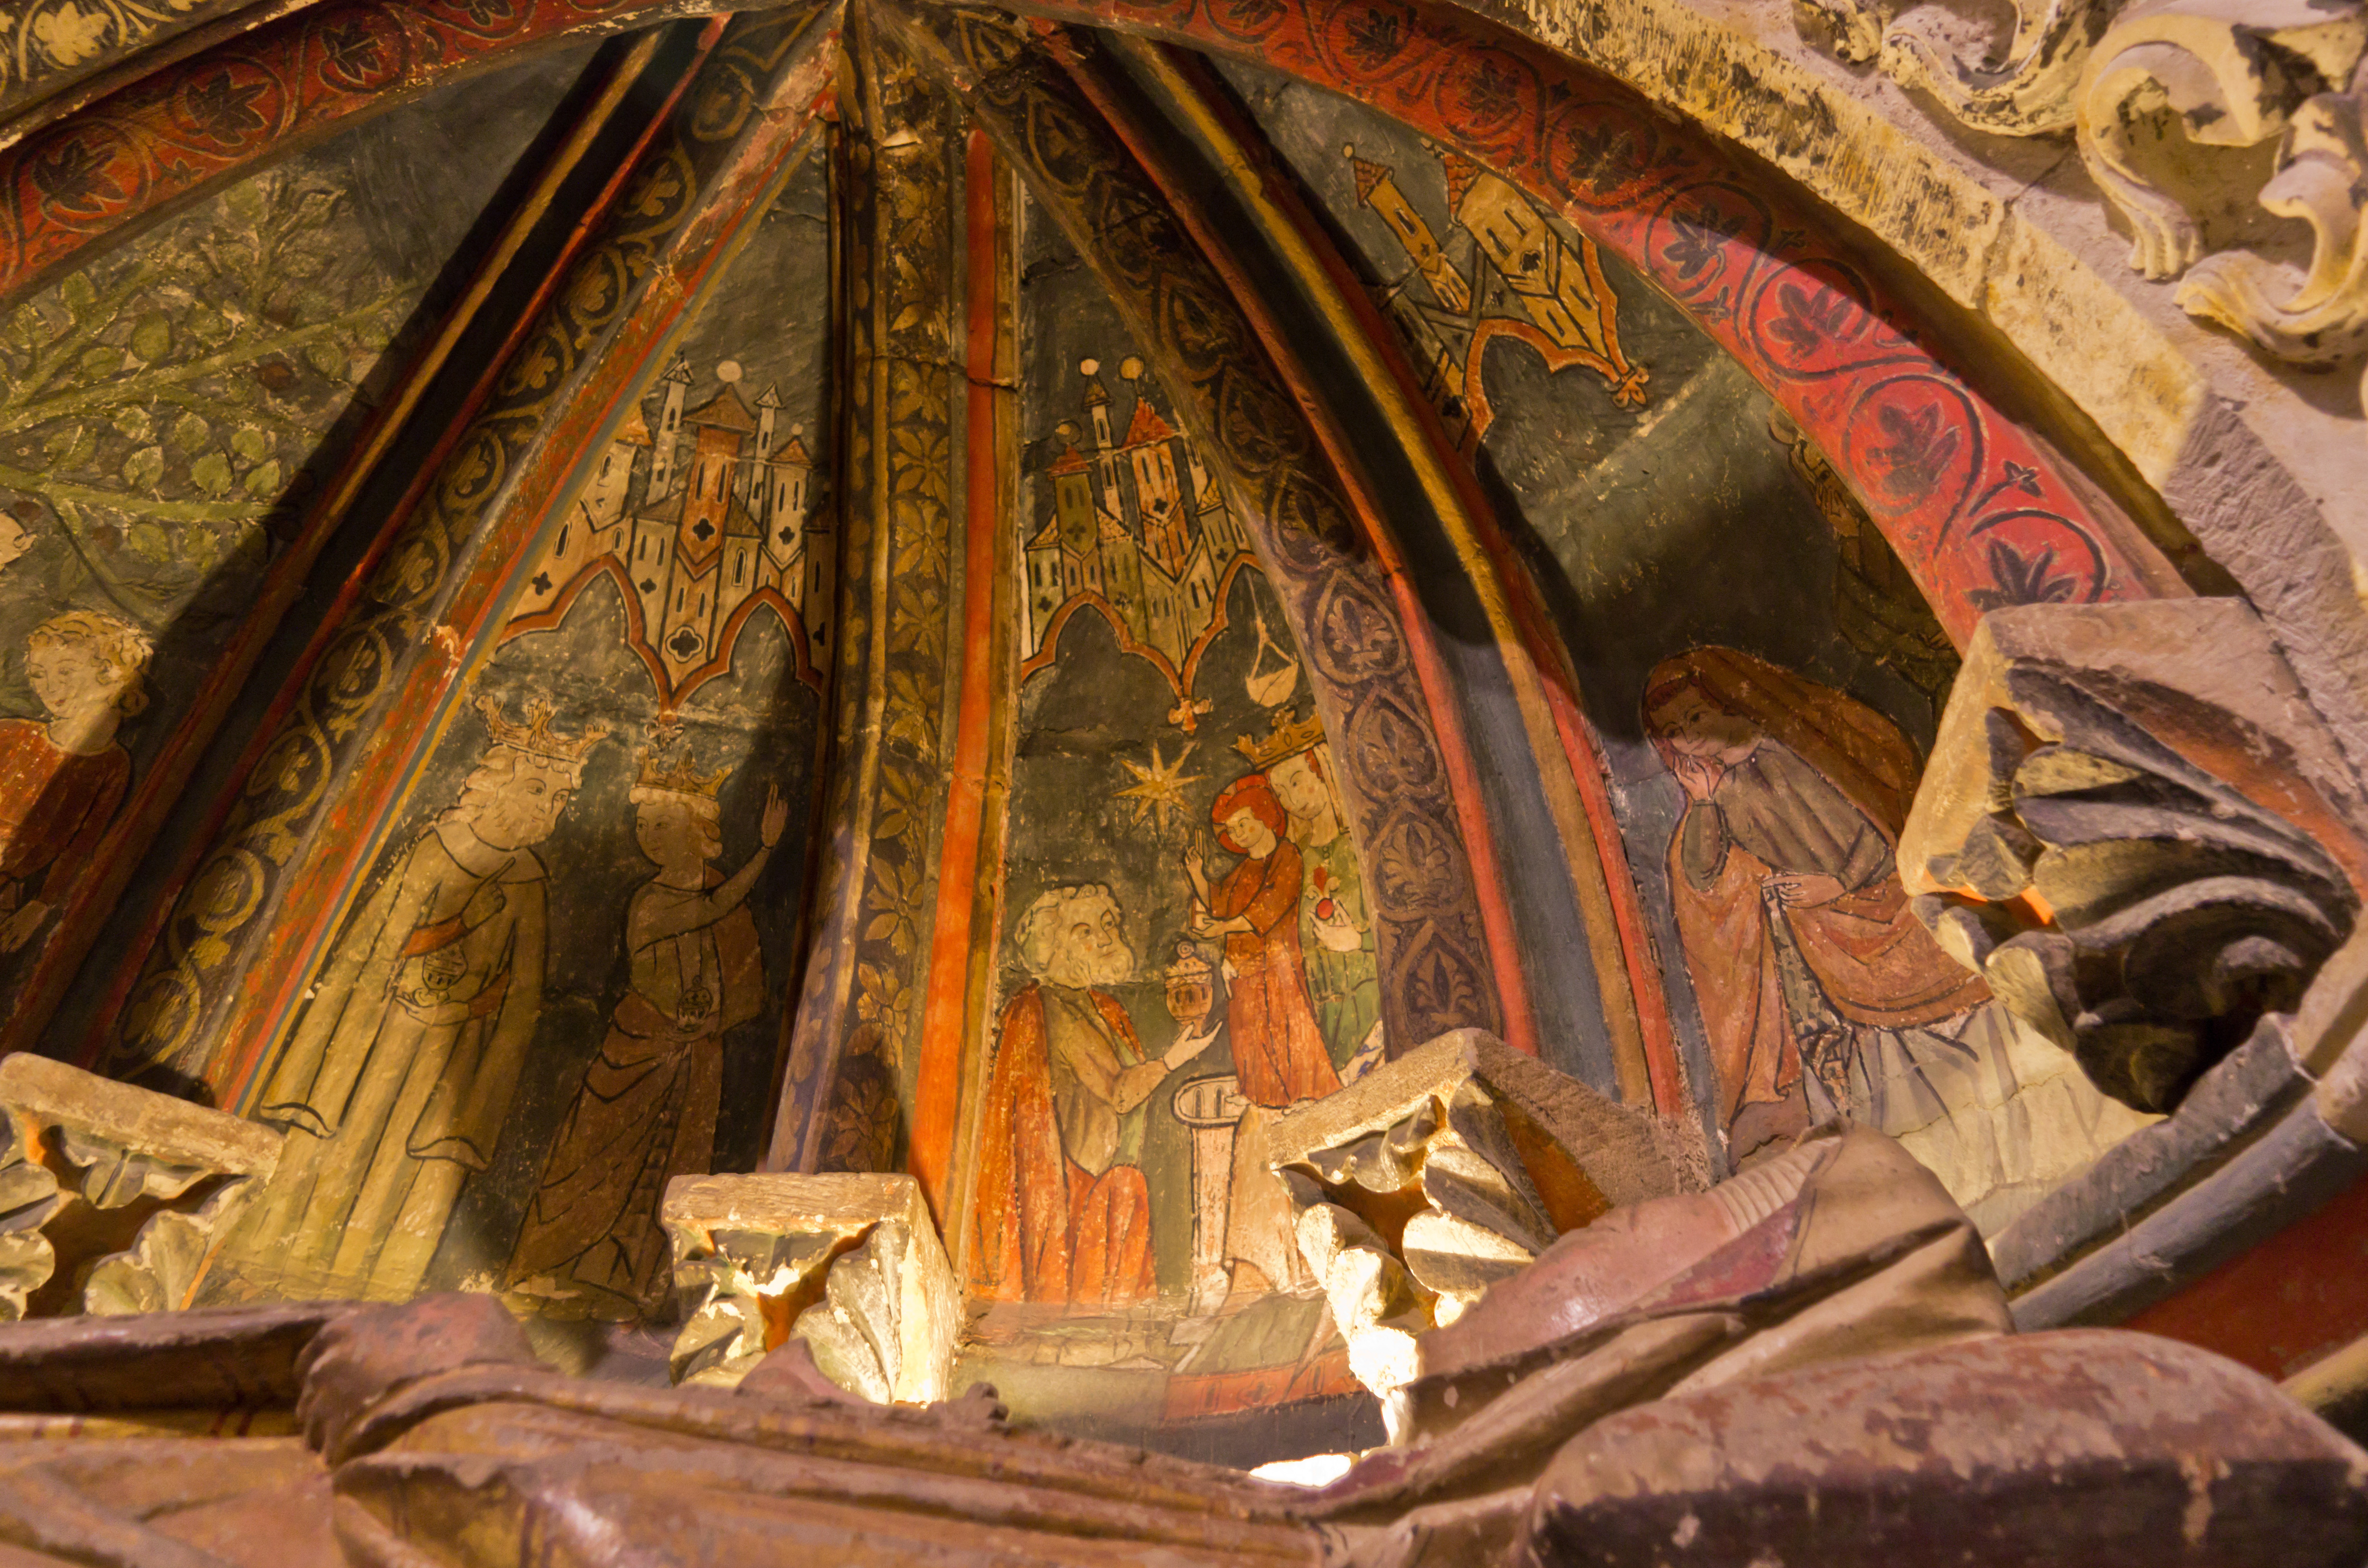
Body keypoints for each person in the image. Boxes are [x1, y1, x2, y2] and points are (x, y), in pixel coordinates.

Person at [1643, 649, 2148, 1220]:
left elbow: (1875, 824)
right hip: (1833, 949)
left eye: (1694, 717)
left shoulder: (1805, 751)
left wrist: (1835, 884)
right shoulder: (1723, 793)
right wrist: (1706, 803)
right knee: (1896, 1072)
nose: (1689, 737)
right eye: (1673, 733)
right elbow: (1703, 870)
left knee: (1985, 1031)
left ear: (1725, 702)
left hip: (1894, 914)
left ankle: (2060, 1151)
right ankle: (1962, 1192)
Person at [228, 695, 608, 1302]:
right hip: (384, 1028)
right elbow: (377, 948)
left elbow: (526, 986)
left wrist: (488, 1039)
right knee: (347, 1133)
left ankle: (379, 1284)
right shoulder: (437, 849)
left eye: (561, 800)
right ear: (498, 786)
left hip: (460, 1041)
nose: (553, 811)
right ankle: (276, 1262)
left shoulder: (528, 877)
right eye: (540, 791)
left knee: (418, 1160)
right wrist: (462, 928)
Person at [505, 740, 787, 1319]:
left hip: (695, 1056)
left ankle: (631, 1282)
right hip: (637, 1047)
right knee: (592, 1158)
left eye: (663, 824)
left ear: (695, 830)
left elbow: (743, 981)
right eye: (643, 824)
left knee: (672, 1165)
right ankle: (548, 1266)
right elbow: (704, 913)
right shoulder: (652, 900)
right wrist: (766, 850)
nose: (650, 836)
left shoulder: (718, 897)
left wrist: (706, 1017)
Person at [970, 885, 1218, 1303]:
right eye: (1084, 931)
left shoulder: (1104, 1007)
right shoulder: (1052, 1008)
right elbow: (1120, 1093)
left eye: (1107, 925)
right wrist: (1173, 1059)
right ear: (1053, 946)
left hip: (1111, 1178)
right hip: (1081, 1190)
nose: (1105, 938)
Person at [1187, 773, 1341, 1291]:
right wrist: (1196, 880)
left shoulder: (1287, 859)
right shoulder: (1238, 872)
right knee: (1254, 1060)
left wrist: (1221, 930)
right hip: (1243, 976)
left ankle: (1304, 1105)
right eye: (1234, 828)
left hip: (1275, 967)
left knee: (1289, 1039)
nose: (1243, 833)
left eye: (1247, 822)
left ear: (1265, 818)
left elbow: (1262, 914)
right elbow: (1217, 910)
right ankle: (1274, 1110)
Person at [0, 610, 150, 957]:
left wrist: (40, 905)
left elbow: (80, 848)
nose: (49, 688)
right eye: (39, 675)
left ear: (114, 677)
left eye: (66, 672)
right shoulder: (10, 736)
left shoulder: (113, 767)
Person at [1266, 743, 1381, 1072]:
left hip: (1371, 999)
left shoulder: (1361, 843)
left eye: (1297, 781)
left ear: (1323, 772)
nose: (1291, 799)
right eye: (1282, 793)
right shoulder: (1294, 861)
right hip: (1321, 1005)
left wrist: (1358, 942)